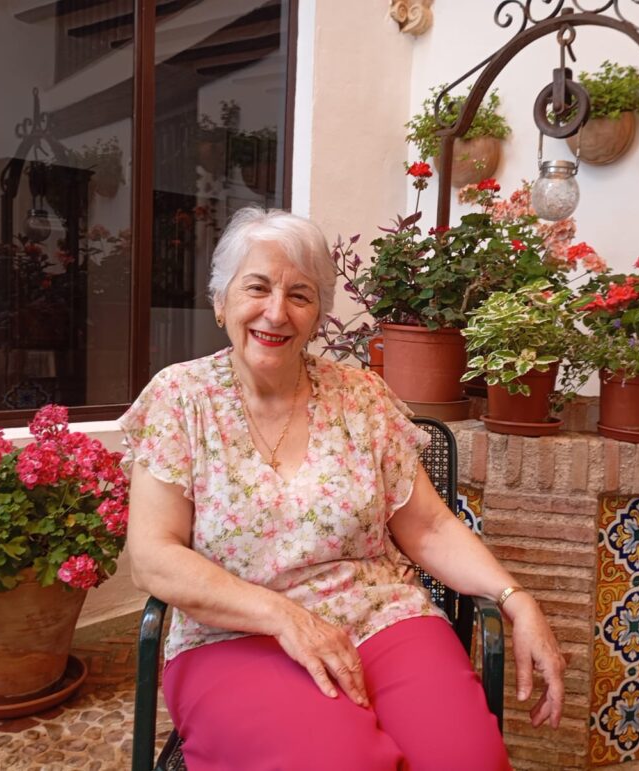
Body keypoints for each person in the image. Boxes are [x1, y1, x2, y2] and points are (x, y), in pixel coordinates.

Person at [121, 207, 565, 770]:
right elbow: (153, 557)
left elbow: (429, 527)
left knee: (466, 761)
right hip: (234, 634)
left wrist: (515, 598)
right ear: (220, 301)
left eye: (300, 295)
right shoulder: (180, 398)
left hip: (381, 616)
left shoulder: (362, 396)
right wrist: (283, 616)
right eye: (256, 287)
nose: (276, 312)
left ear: (318, 315)